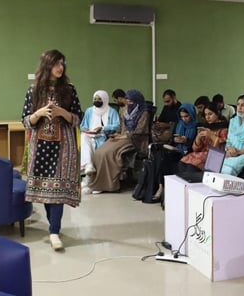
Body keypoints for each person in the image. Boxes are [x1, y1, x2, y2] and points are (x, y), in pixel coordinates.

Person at [21, 49, 83, 251]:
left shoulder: (69, 90)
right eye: (56, 63)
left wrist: (62, 112)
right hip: (40, 146)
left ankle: (54, 231)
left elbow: (78, 119)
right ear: (47, 66)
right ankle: (53, 226)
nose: (60, 67)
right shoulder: (33, 90)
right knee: (45, 191)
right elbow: (25, 121)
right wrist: (38, 113)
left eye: (62, 63)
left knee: (57, 191)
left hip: (63, 146)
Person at [86, 90, 151, 194]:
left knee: (109, 153)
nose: (129, 104)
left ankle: (110, 185)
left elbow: (139, 131)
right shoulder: (125, 112)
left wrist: (123, 136)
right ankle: (97, 183)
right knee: (100, 152)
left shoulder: (144, 113)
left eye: (131, 102)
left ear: (137, 101)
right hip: (122, 137)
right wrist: (117, 134)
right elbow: (121, 127)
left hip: (135, 140)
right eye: (128, 101)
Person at [178, 102, 229, 172]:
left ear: (217, 113)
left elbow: (221, 148)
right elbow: (195, 149)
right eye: (205, 115)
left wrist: (211, 135)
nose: (207, 117)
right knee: (181, 164)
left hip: (214, 156)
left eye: (210, 114)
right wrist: (198, 138)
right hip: (201, 154)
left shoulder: (224, 128)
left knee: (191, 167)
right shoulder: (205, 126)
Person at [80, 90, 120, 175]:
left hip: (104, 136)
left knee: (99, 150)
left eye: (99, 99)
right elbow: (83, 126)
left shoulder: (112, 111)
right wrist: (85, 129)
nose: (96, 101)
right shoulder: (89, 111)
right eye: (95, 99)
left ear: (105, 99)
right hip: (90, 135)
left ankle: (95, 174)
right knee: (83, 137)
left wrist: (102, 128)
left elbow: (117, 126)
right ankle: (88, 165)